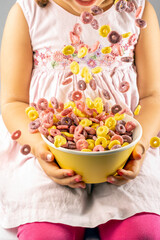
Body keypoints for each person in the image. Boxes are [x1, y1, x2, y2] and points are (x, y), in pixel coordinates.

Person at [0, 0, 160, 239]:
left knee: (141, 232)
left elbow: (152, 96)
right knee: (43, 235)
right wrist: (41, 150)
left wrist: (137, 149)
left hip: (125, 155)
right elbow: (12, 101)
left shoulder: (138, 10)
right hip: (46, 151)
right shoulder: (27, 12)